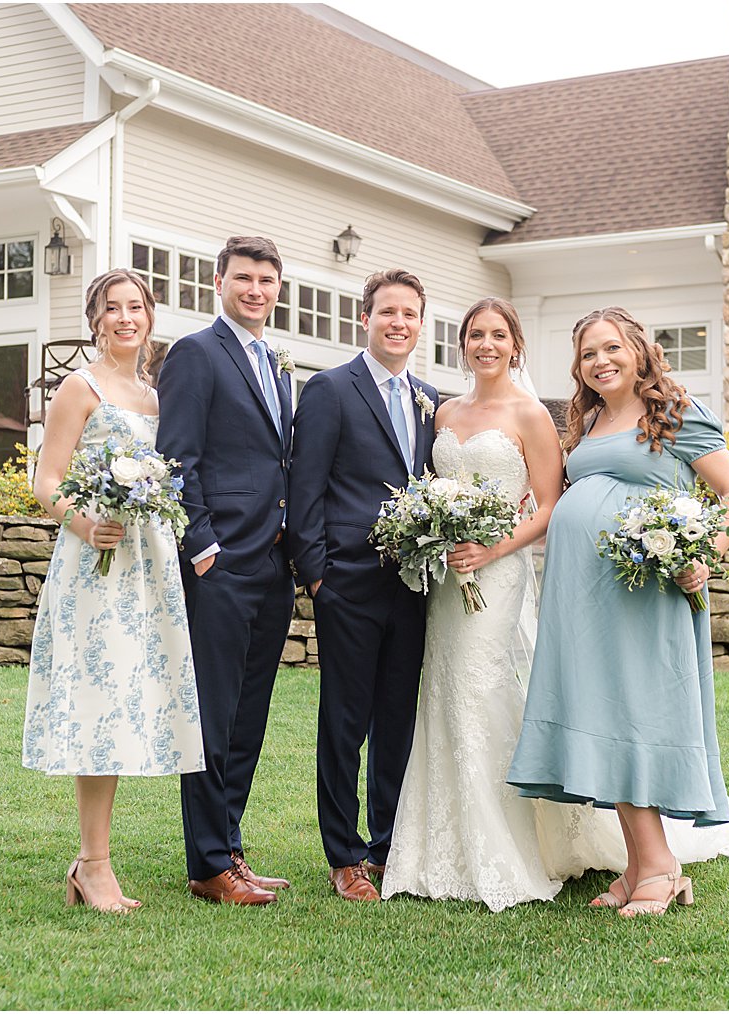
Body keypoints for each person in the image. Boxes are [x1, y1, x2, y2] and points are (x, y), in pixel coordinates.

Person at [381, 298, 627, 912]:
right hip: (444, 577)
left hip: (498, 572)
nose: (485, 344)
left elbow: (547, 507)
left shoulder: (531, 415)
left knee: (481, 687)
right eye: (474, 335)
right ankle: (440, 844)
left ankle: (511, 843)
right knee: (442, 693)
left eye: (497, 335)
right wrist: (433, 531)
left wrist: (491, 548)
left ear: (515, 344)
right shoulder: (444, 411)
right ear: (462, 345)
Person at [507, 306, 729, 917]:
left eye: (611, 348)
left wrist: (703, 553)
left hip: (645, 594)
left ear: (638, 351)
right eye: (589, 353)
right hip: (583, 599)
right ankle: (642, 864)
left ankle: (662, 867)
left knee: (634, 715)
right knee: (602, 712)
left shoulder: (675, 414)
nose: (601, 361)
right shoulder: (586, 420)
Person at [22, 269, 204, 914]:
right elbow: (45, 480)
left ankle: (89, 862)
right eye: (112, 309)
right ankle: (94, 865)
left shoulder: (157, 396)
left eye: (136, 307)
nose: (125, 318)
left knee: (130, 707)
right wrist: (83, 521)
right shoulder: (81, 387)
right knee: (100, 708)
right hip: (96, 567)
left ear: (150, 316)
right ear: (95, 319)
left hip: (150, 570)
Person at [288, 268, 439, 902]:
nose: (397, 323)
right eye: (386, 313)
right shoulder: (330, 390)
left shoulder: (433, 398)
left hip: (415, 588)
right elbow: (306, 491)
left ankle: (387, 846)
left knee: (397, 722)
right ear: (366, 320)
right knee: (345, 721)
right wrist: (319, 576)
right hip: (347, 583)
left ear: (420, 325)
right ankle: (343, 855)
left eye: (409, 314)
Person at [156, 236, 295, 906]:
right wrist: (202, 547)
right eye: (245, 277)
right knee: (212, 715)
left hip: (272, 562)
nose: (257, 290)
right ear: (219, 282)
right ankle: (208, 863)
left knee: (248, 715)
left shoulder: (274, 361)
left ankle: (231, 851)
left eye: (267, 280)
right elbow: (176, 457)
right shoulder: (194, 354)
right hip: (220, 564)